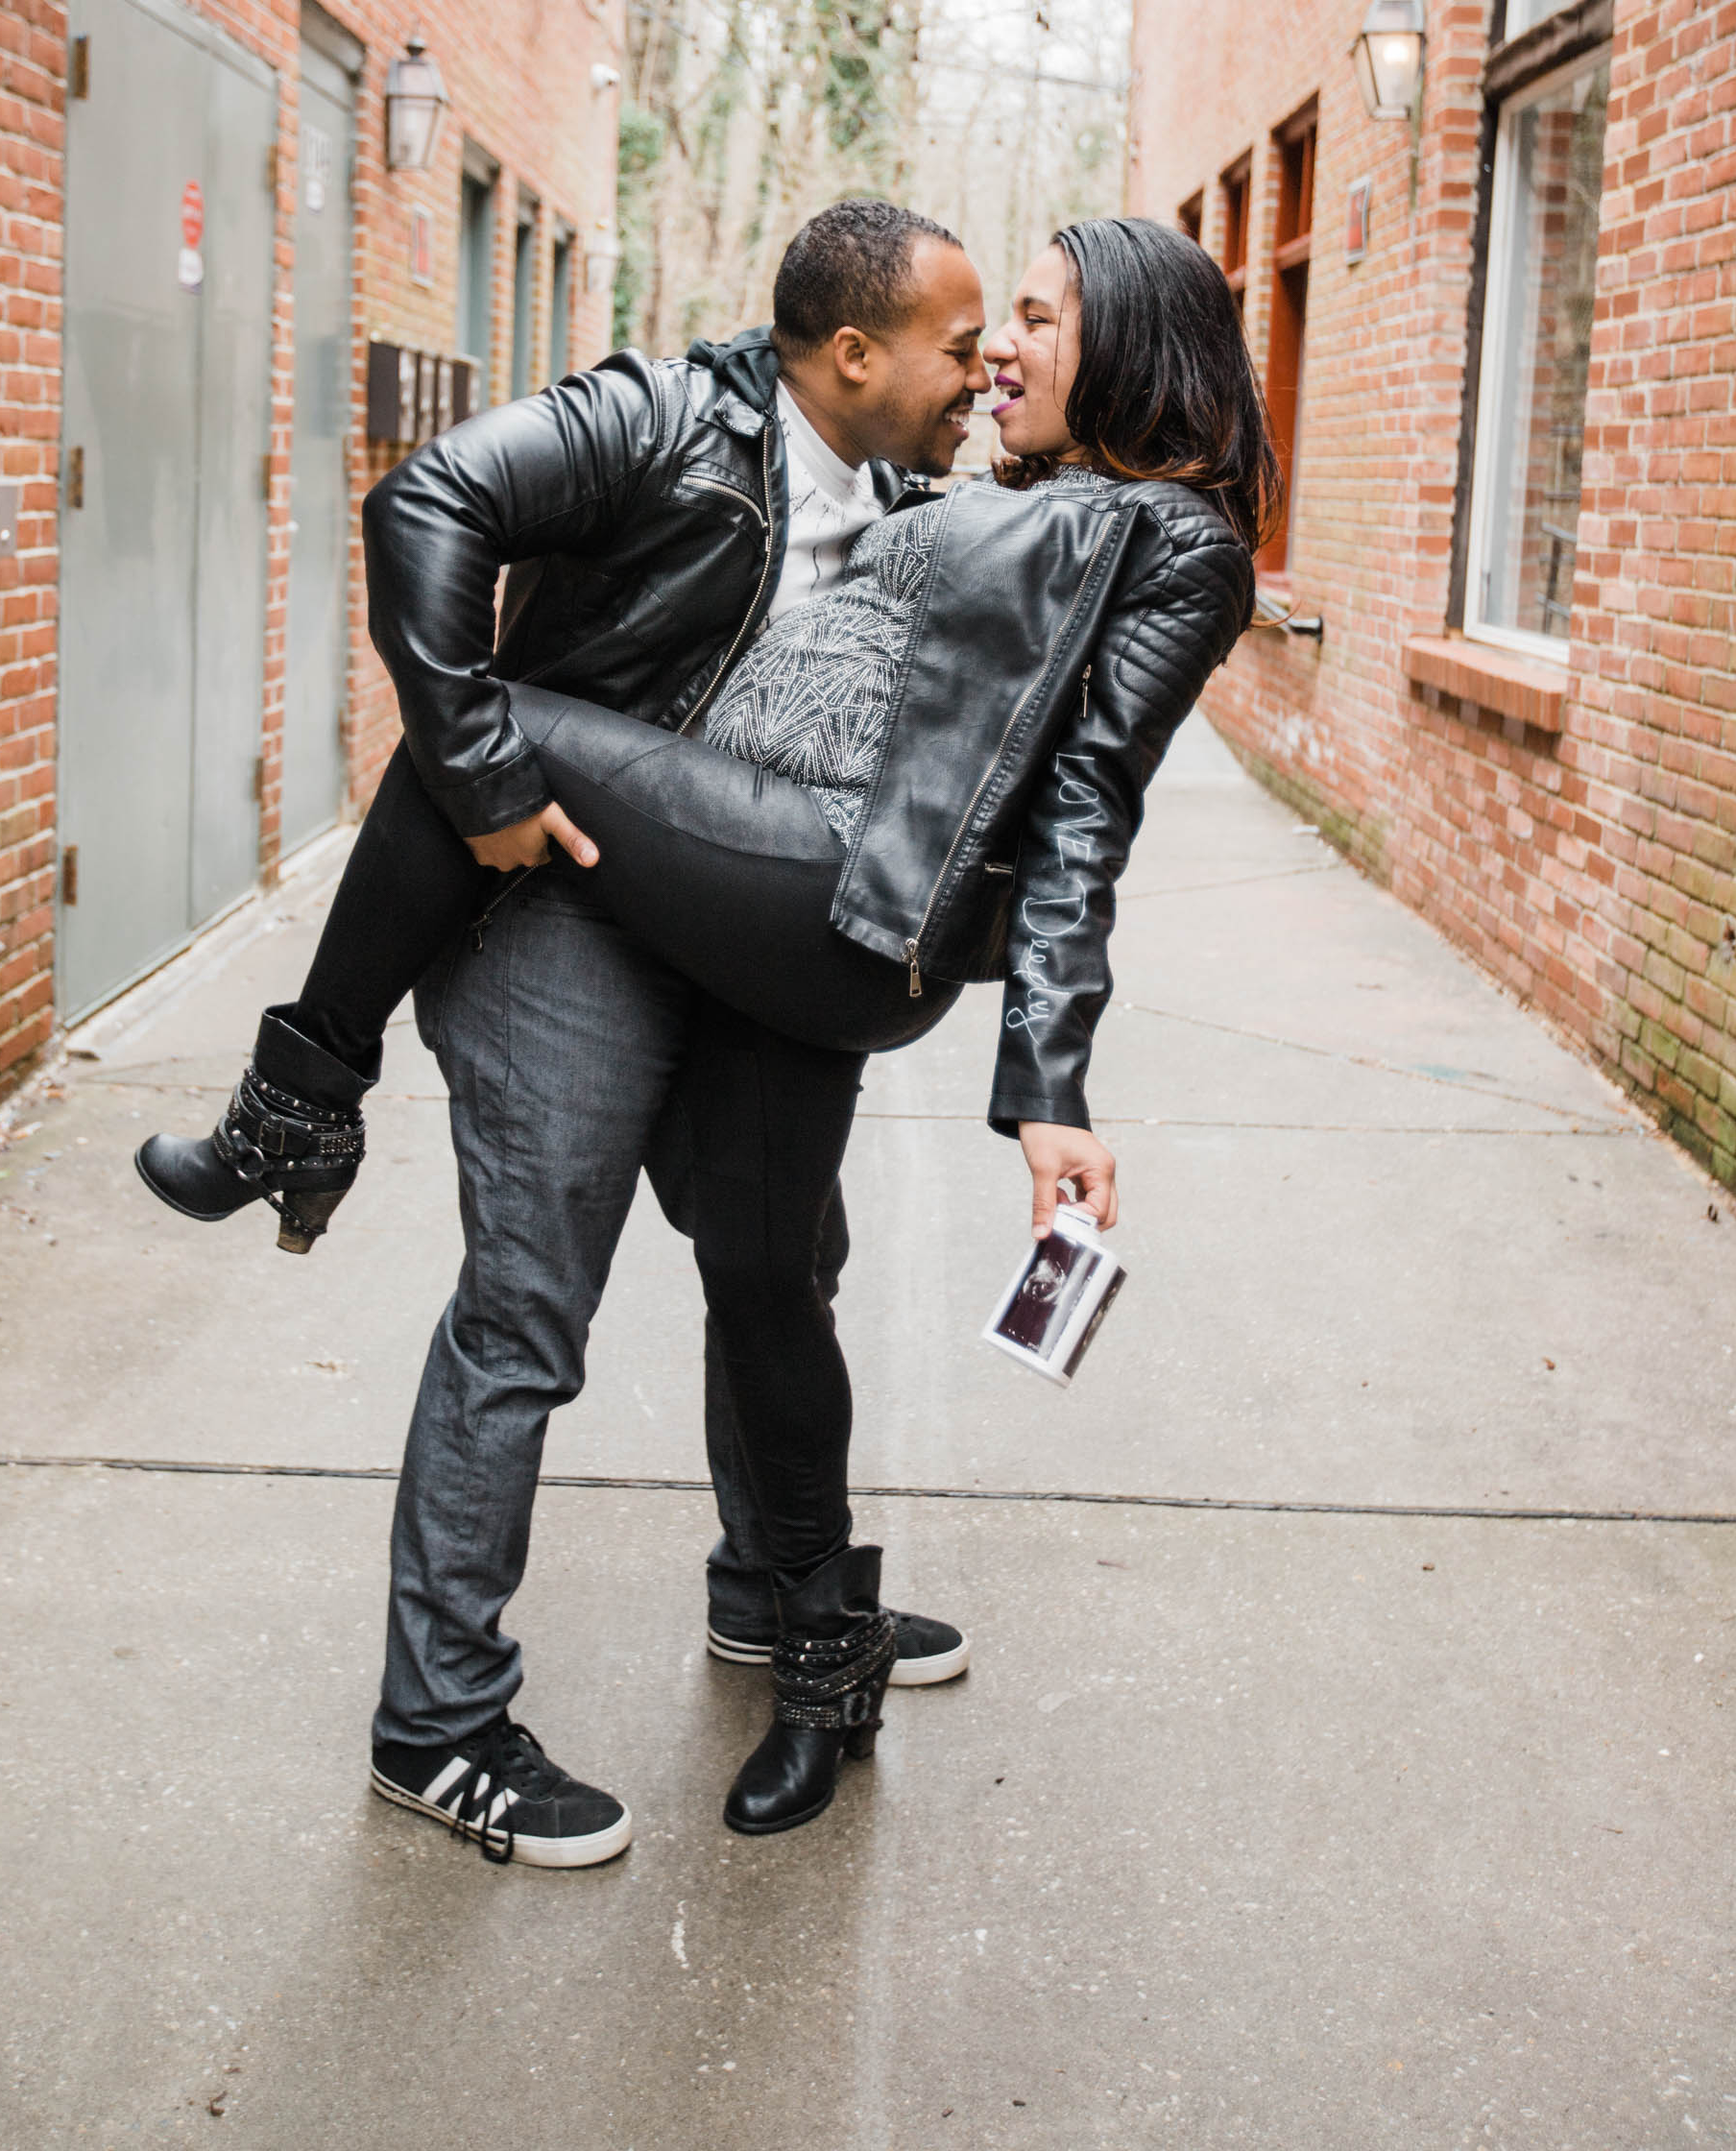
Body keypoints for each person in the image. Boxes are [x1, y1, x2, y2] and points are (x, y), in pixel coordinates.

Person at [140, 210, 1275, 1855]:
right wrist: (485, 789)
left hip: (801, 900)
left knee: (757, 1250)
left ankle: (301, 1097)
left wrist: (1050, 1087)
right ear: (854, 355)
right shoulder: (693, 426)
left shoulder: (1106, 524)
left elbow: (1081, 796)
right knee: (681, 1281)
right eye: (976, 335)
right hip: (602, 910)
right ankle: (485, 1707)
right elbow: (435, 501)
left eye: (1026, 323)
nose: (993, 361)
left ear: (1133, 344)